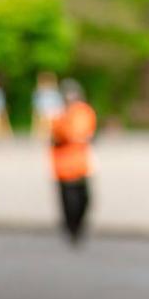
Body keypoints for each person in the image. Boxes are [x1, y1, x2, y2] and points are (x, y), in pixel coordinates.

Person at [51, 79, 97, 245]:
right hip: (64, 169)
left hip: (81, 166)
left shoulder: (84, 112)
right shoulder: (59, 116)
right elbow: (61, 135)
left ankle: (78, 229)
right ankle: (71, 232)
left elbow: (89, 133)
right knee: (69, 203)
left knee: (85, 200)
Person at [31, 71, 64, 139]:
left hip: (53, 110)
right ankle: (46, 134)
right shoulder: (40, 93)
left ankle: (52, 134)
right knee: (45, 119)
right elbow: (37, 105)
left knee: (50, 118)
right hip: (45, 111)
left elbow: (58, 104)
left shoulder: (54, 92)